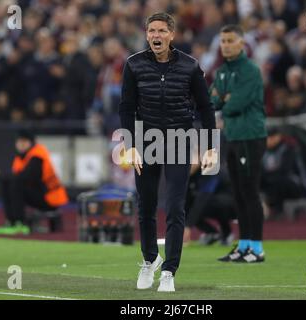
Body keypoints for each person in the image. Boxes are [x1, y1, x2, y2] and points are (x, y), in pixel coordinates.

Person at [119, 12, 216, 292]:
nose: (156, 36)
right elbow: (126, 107)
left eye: (161, 30)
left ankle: (170, 271)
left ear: (172, 35)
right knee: (146, 206)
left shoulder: (190, 66)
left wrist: (210, 146)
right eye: (151, 31)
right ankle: (150, 260)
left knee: (175, 207)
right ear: (146, 34)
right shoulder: (133, 64)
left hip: (178, 140)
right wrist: (130, 145)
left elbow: (205, 107)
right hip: (146, 141)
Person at [210, 25, 267, 263]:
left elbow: (235, 104)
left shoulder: (251, 70)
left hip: (250, 136)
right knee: (239, 194)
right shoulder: (222, 72)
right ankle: (244, 245)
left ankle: (257, 247)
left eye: (230, 40)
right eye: (223, 41)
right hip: (233, 137)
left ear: (242, 43)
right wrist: (224, 99)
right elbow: (213, 101)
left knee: (250, 192)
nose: (225, 45)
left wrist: (226, 100)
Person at [0, 130, 69, 235]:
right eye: (19, 141)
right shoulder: (21, 157)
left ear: (31, 142)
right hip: (40, 194)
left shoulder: (38, 155)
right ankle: (11, 222)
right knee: (7, 183)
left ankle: (20, 223)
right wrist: (0, 177)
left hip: (51, 199)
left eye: (24, 141)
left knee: (15, 183)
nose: (21, 144)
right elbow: (15, 177)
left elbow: (26, 177)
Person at [260, 127, 306, 218]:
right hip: (272, 182)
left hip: (295, 184)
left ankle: (277, 210)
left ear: (279, 136)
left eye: (271, 137)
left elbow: (285, 170)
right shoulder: (264, 151)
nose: (269, 140)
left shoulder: (289, 149)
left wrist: (267, 175)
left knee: (279, 181)